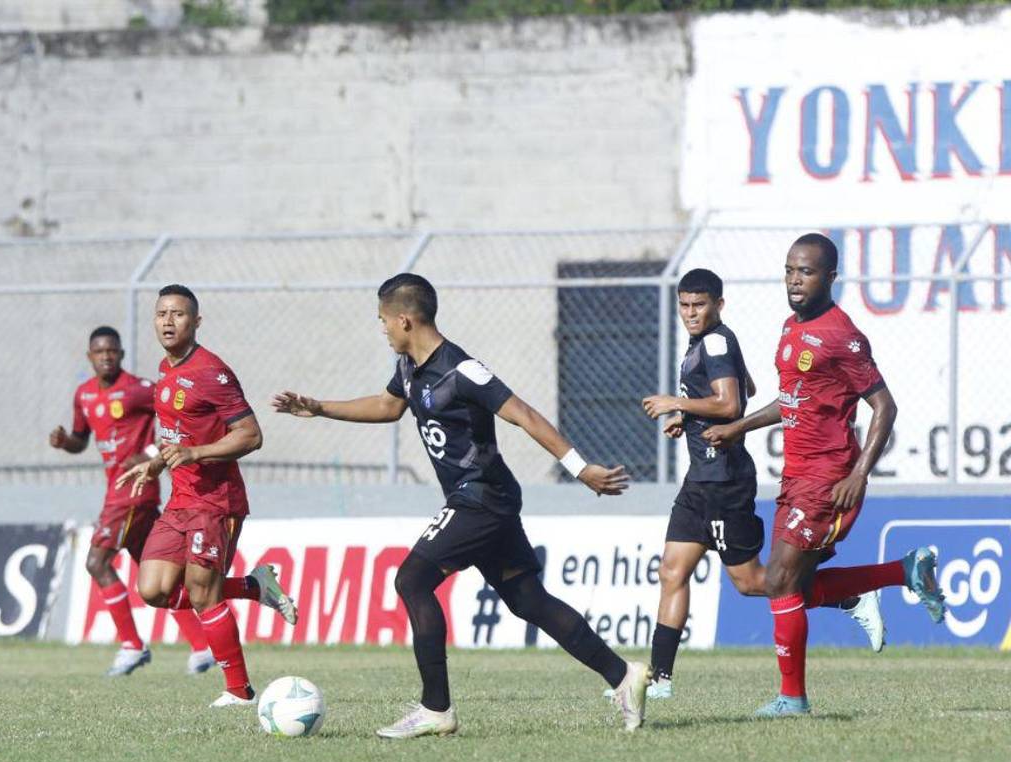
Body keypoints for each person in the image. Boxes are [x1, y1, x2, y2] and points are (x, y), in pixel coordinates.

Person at [273, 273, 651, 738]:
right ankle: (623, 676)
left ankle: (436, 709)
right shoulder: (411, 368)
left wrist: (580, 468)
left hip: (482, 499)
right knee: (528, 600)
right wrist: (319, 407)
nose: (383, 330)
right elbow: (388, 407)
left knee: (411, 579)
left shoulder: (462, 371)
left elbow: (525, 415)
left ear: (405, 320)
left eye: (383, 322)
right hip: (478, 499)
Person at [704, 234, 945, 717]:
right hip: (795, 475)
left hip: (829, 478)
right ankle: (902, 571)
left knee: (776, 582)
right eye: (790, 270)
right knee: (785, 586)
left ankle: (792, 698)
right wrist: (740, 426)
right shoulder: (792, 328)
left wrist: (858, 473)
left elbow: (885, 406)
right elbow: (794, 400)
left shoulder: (843, 336)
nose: (795, 280)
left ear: (830, 277)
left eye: (806, 272)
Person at [639, 269, 884, 700]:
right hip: (700, 478)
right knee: (671, 570)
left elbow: (731, 402)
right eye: (684, 305)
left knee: (761, 583)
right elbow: (746, 386)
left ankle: (847, 597)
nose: (690, 313)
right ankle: (659, 681)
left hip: (724, 480)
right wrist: (692, 416)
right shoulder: (711, 341)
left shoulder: (714, 341)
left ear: (718, 305)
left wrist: (677, 402)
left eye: (699, 305)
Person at [117, 285, 298, 708]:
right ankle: (256, 588)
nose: (167, 321)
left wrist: (196, 453)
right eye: (161, 313)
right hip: (180, 500)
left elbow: (251, 435)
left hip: (217, 502)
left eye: (178, 314)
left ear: (196, 322)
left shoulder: (212, 373)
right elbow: (176, 435)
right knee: (154, 589)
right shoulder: (166, 371)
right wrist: (158, 463)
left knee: (202, 594)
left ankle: (239, 691)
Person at [49, 326, 215, 677]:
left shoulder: (140, 390)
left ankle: (132, 645)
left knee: (97, 561)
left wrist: (151, 453)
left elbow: (177, 416)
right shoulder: (84, 395)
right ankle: (203, 647)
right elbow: (81, 440)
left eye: (112, 351)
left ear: (121, 354)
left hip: (134, 492)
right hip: (117, 491)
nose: (106, 356)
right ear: (90, 356)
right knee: (158, 575)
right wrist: (66, 442)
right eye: (99, 351)